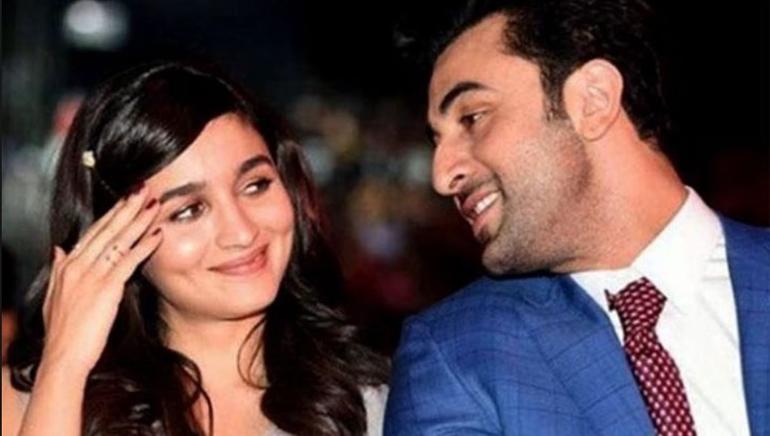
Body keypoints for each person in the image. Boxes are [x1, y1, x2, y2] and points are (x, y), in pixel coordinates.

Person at [385, 0, 769, 435]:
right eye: (436, 141)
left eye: (473, 118)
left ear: (593, 99)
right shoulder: (457, 354)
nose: (442, 176)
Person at [2, 61, 389, 436]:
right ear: (114, 239)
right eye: (188, 211)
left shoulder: (370, 403)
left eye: (255, 185)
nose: (241, 232)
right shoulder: (31, 399)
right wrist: (64, 365)